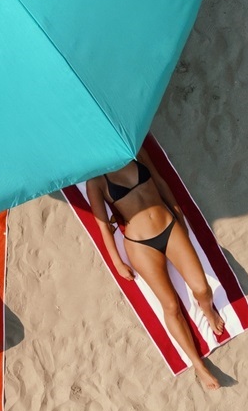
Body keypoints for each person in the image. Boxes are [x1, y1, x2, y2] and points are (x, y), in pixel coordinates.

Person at [86, 146, 225, 390]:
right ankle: (198, 365)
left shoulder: (135, 151)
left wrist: (178, 211)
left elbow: (160, 181)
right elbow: (102, 227)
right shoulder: (95, 181)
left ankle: (208, 310)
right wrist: (117, 262)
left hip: (169, 227)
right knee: (171, 305)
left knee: (202, 289)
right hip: (140, 245)